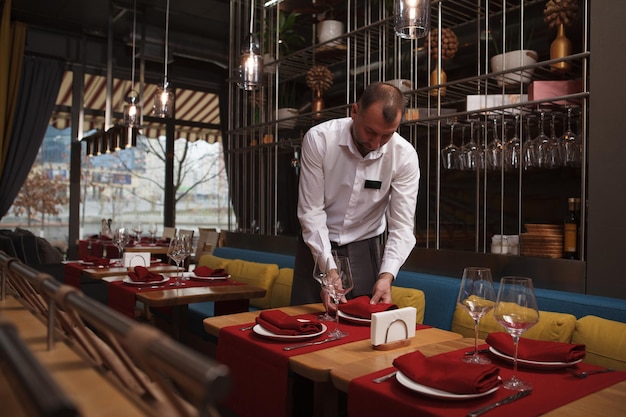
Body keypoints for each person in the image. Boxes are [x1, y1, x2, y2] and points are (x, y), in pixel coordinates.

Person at [291, 82, 420, 311]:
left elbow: (401, 227)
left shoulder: (405, 157)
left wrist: (387, 275)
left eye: (386, 135)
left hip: (365, 250)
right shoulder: (319, 140)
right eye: (370, 131)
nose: (375, 143)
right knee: (306, 327)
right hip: (316, 247)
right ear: (354, 111)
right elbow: (311, 212)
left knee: (362, 332)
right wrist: (328, 269)